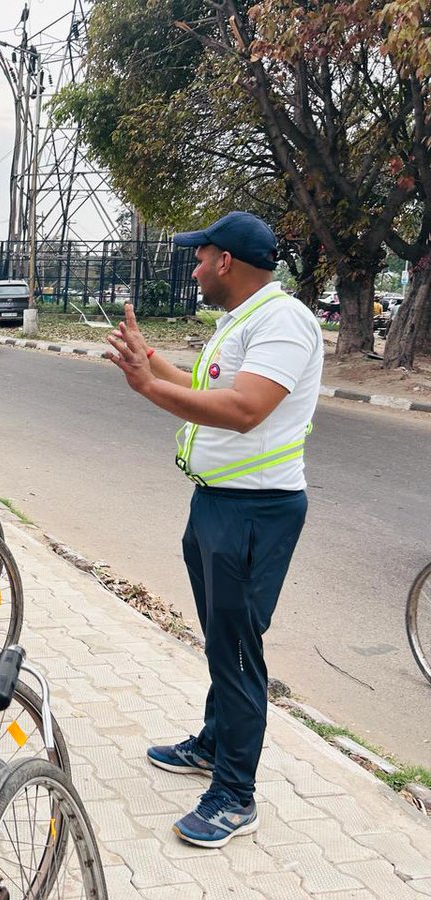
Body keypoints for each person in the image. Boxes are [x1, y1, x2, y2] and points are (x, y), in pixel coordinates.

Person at [104, 211, 322, 849]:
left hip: (256, 512)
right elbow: (205, 386)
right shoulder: (241, 321)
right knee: (222, 640)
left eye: (199, 257)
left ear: (226, 261)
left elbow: (246, 410)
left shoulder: (284, 321)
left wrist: (148, 388)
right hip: (217, 507)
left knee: (236, 650)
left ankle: (235, 794)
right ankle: (212, 742)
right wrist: (151, 363)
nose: (194, 268)